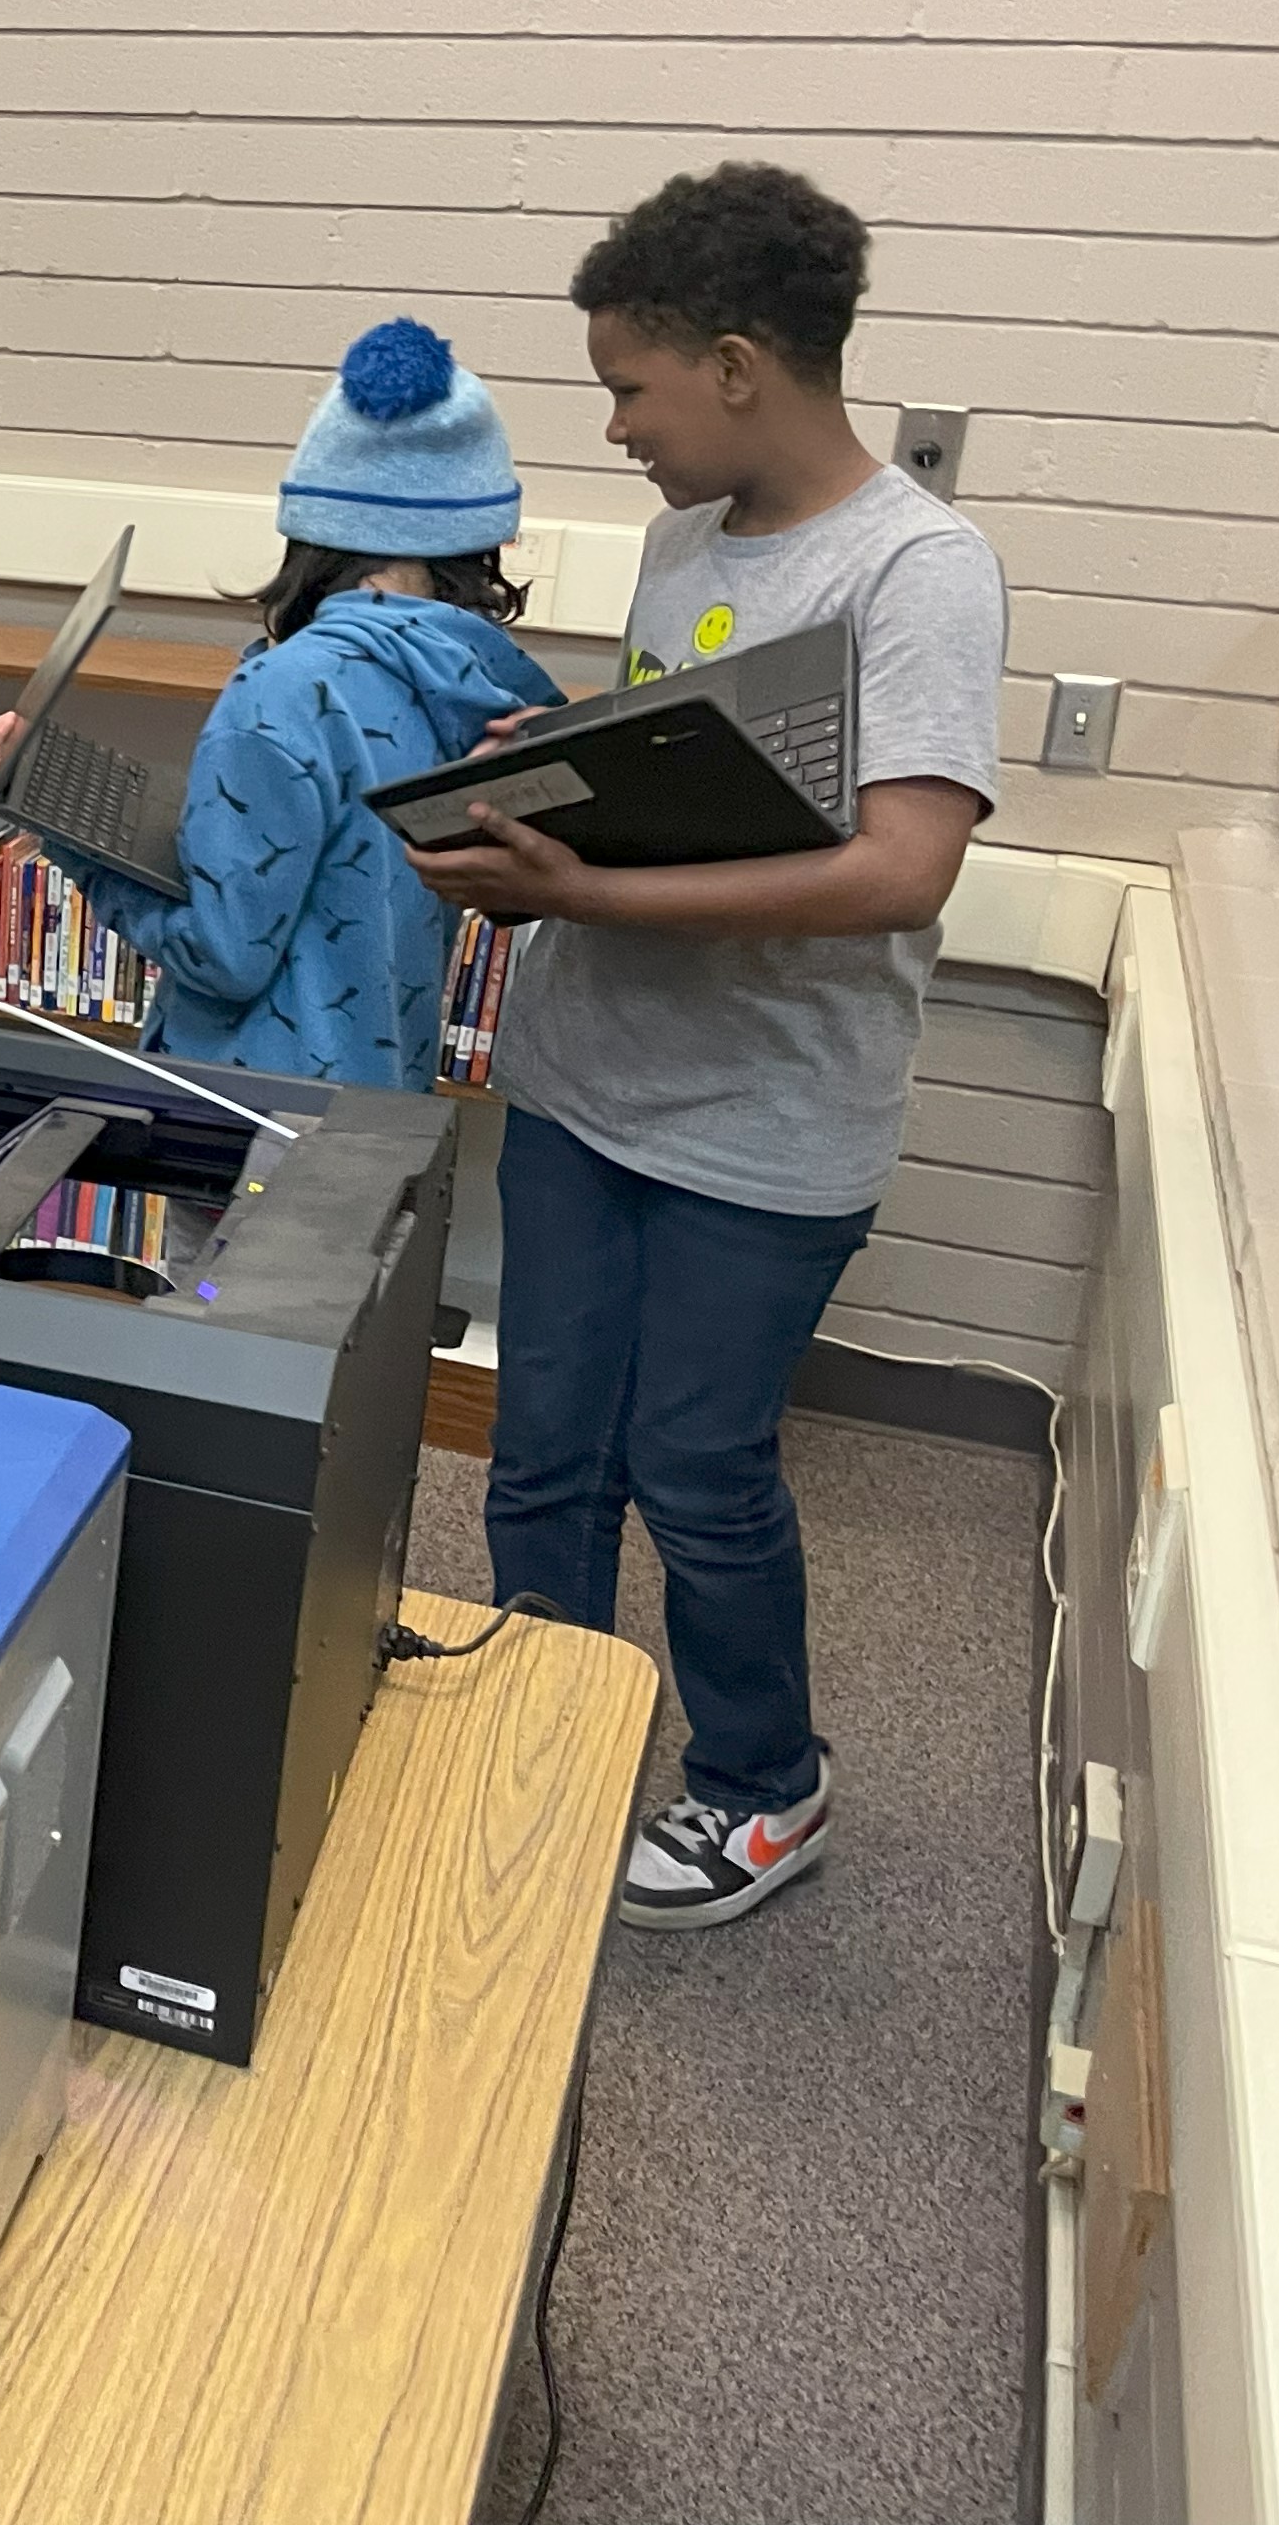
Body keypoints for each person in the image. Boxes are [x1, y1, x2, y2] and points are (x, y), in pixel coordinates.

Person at [409, 162, 1008, 1930]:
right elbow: (710, 771)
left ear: (737, 364)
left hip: (764, 1130)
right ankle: (544, 1727)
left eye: (629, 386)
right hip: (586, 1086)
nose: (613, 427)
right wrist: (564, 753)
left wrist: (574, 889)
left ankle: (761, 1778)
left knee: (695, 1467)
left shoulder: (917, 567)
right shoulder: (688, 540)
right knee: (542, 1449)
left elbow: (898, 867)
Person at [0, 319, 560, 1091]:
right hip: (381, 1101)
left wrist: (75, 843)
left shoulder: (285, 691)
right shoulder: (481, 687)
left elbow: (224, 957)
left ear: (309, 527)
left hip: (254, 1120)